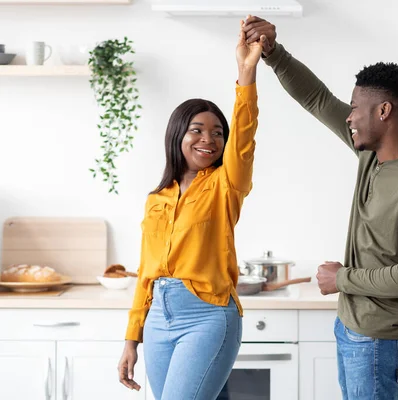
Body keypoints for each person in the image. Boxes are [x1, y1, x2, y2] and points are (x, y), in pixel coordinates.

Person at [243, 16, 398, 400]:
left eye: (356, 107)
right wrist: (273, 54)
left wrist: (341, 279)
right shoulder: (371, 154)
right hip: (354, 327)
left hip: (380, 338)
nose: (350, 116)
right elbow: (316, 98)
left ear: (384, 111)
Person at [117, 22, 267, 400]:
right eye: (197, 130)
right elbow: (147, 272)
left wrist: (246, 72)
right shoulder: (158, 198)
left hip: (208, 315)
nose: (209, 139)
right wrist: (131, 338)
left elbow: (244, 137)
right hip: (158, 322)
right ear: (177, 135)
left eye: (218, 132)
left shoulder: (225, 186)